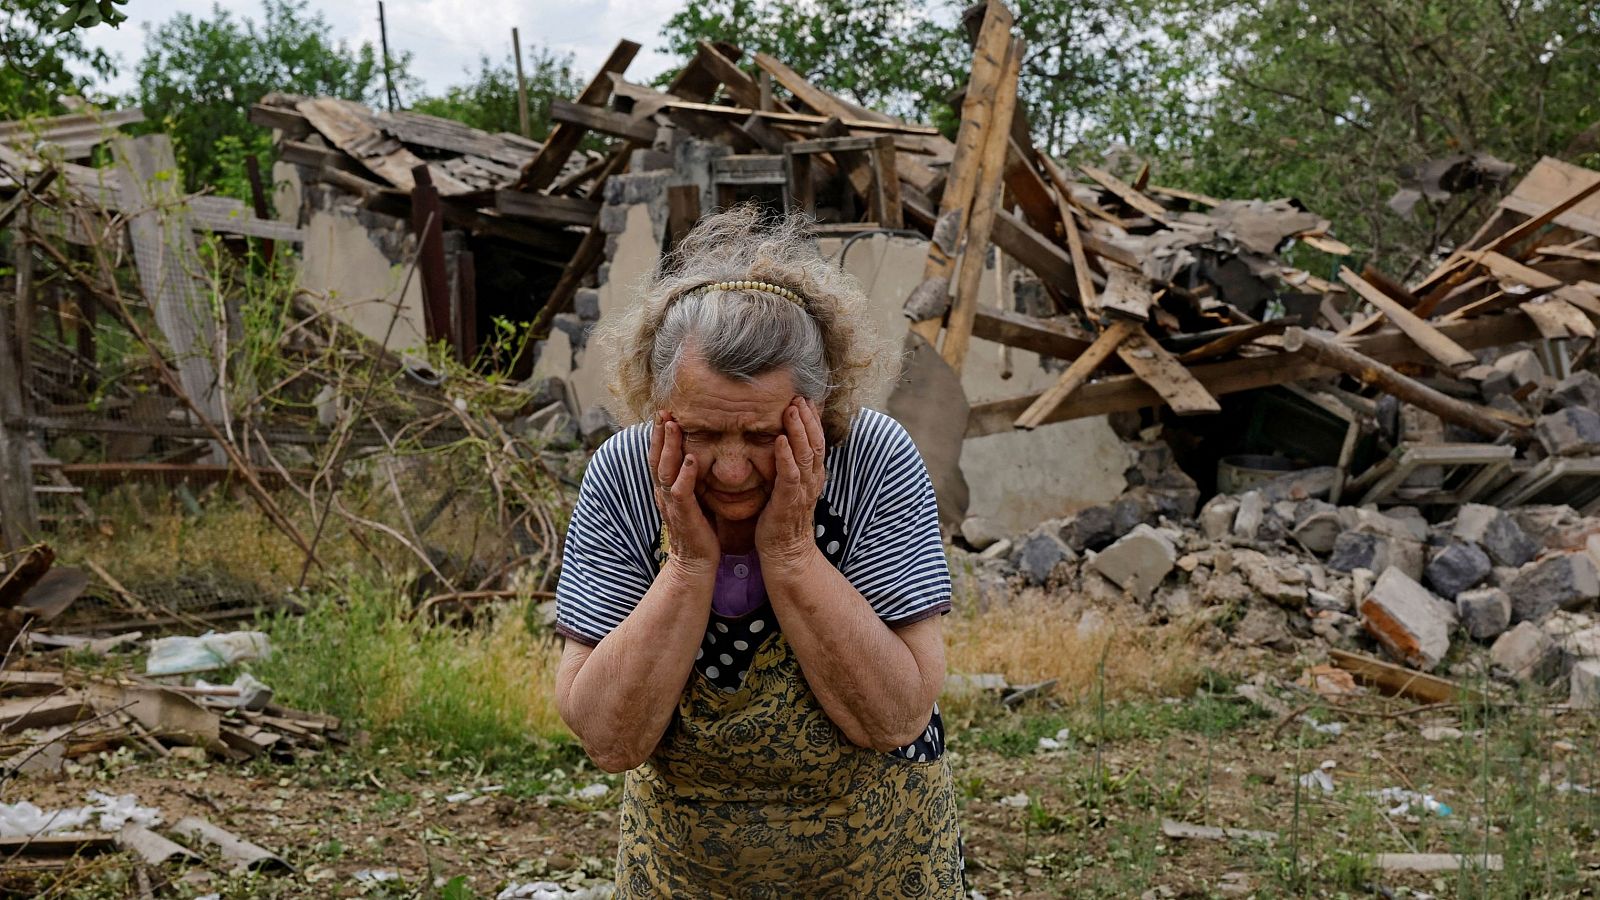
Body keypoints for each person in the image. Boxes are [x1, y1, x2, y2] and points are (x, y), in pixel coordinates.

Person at [553, 205, 962, 897]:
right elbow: (608, 739)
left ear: (818, 410)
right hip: (685, 870)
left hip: (878, 859)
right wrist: (686, 566)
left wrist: (795, 554)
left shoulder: (872, 460)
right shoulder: (625, 473)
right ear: (660, 409)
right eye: (704, 434)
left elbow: (896, 717)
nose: (733, 470)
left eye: (764, 435)